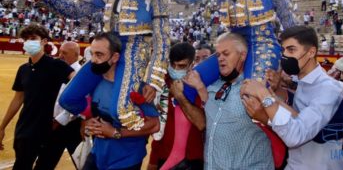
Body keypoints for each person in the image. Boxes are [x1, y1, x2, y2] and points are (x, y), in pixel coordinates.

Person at [150, 0, 299, 168]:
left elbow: (287, 14)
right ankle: (180, 150)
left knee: (253, 98)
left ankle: (277, 157)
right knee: (186, 87)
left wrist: (290, 57)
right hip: (231, 43)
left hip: (263, 41)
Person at [18, 0, 170, 131]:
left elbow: (162, 37)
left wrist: (154, 80)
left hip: (134, 52)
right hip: (104, 51)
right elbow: (75, 10)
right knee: (68, 99)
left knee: (122, 111)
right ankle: (99, 120)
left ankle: (132, 130)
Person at [240, 25, 343, 170]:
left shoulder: (327, 89)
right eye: (283, 50)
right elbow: (298, 116)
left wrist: (263, 95)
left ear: (311, 52)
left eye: (291, 50)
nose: (285, 56)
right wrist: (270, 93)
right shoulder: (303, 81)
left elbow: (296, 135)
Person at [62, 32, 160, 169]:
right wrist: (88, 120)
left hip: (126, 160)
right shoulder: (94, 82)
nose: (94, 60)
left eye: (99, 55)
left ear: (115, 57)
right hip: (98, 154)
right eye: (92, 54)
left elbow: (155, 125)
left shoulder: (138, 87)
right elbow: (91, 108)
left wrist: (116, 132)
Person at [191, 32, 274, 169]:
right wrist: (200, 87)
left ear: (242, 55)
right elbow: (212, 112)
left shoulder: (258, 87)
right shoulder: (212, 86)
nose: (220, 58)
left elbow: (280, 123)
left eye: (226, 54)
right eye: (218, 55)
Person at [0, 24, 75, 170]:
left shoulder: (57, 65)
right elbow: (18, 99)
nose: (29, 42)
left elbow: (78, 84)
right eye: (26, 39)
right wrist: (2, 127)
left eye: (33, 38)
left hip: (50, 129)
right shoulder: (23, 70)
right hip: (26, 128)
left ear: (44, 41)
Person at [148, 42, 208, 170]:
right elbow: (159, 125)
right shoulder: (162, 84)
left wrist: (179, 96)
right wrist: (153, 160)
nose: (175, 69)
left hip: (193, 159)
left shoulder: (200, 86)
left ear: (191, 65)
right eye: (172, 65)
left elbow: (201, 123)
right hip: (164, 155)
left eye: (181, 66)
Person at [33, 41, 83, 169]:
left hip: (73, 126)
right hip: (53, 124)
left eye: (64, 53)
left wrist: (59, 120)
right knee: (44, 163)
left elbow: (80, 100)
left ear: (76, 55)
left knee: (83, 163)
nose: (60, 55)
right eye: (60, 51)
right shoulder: (56, 70)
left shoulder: (81, 74)